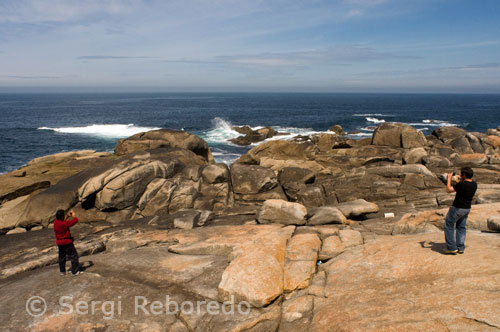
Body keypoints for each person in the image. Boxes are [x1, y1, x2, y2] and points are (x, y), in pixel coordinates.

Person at [444, 167, 477, 254]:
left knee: (448, 225)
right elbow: (463, 185)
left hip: (457, 208)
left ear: (464, 175)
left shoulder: (462, 185)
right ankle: (460, 247)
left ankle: (451, 247)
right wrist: (460, 178)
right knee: (461, 227)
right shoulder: (474, 184)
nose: (460, 175)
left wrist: (449, 179)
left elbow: (449, 190)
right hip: (466, 208)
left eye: (461, 174)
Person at [54, 209, 82, 275]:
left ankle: (62, 271)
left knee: (61, 257)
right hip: (67, 242)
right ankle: (75, 271)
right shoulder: (64, 224)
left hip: (59, 243)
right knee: (73, 256)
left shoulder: (56, 222)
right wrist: (74, 216)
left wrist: (67, 216)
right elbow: (75, 221)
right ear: (62, 216)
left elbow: (62, 221)